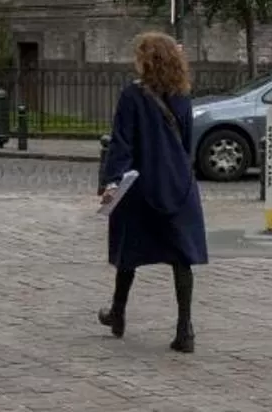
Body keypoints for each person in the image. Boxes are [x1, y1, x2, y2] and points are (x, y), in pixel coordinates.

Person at [96, 31, 209, 353]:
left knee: (128, 251)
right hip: (178, 182)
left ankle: (118, 313)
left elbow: (122, 142)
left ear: (146, 60)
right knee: (181, 256)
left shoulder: (133, 96)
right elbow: (186, 141)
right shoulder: (183, 94)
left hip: (141, 184)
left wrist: (112, 181)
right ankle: (185, 328)